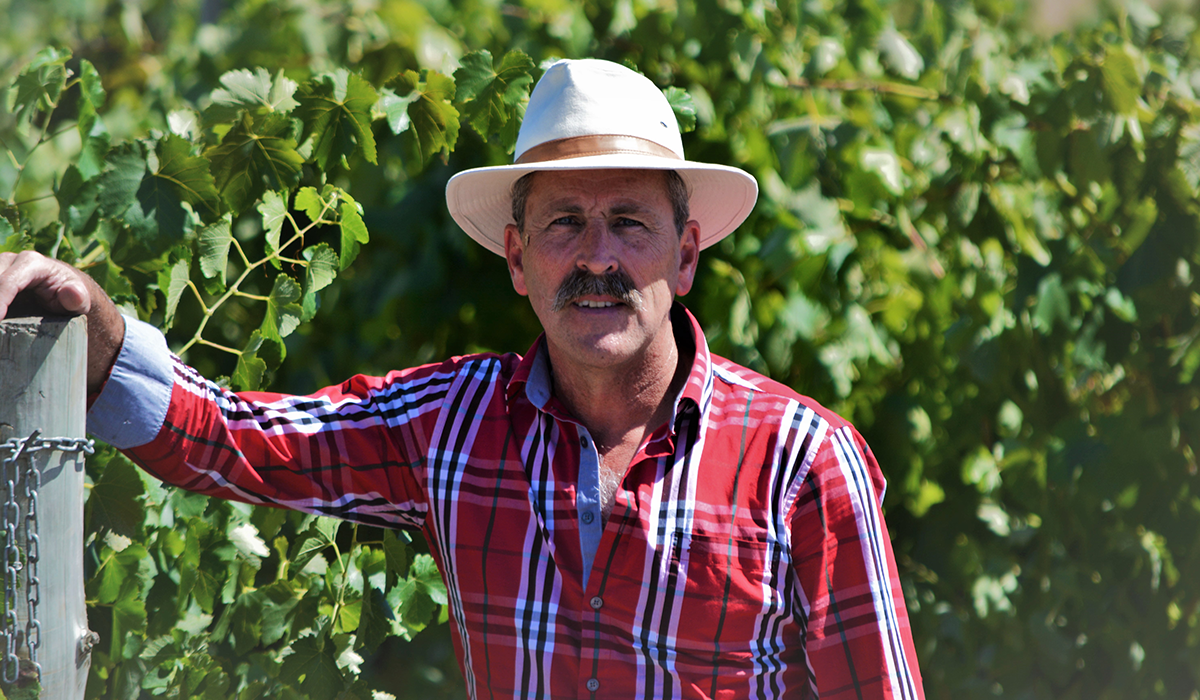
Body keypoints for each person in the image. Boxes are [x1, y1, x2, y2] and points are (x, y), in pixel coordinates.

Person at [0, 59, 923, 699]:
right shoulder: (452, 424)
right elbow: (247, 441)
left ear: (687, 255)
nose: (596, 259)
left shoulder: (803, 462)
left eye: (629, 225)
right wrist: (103, 330)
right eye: (564, 224)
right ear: (517, 258)